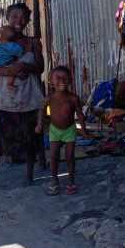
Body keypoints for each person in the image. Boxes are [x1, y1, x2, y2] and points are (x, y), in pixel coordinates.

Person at [0, 3, 44, 190]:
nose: (19, 21)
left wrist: (24, 67)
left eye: (23, 17)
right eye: (15, 16)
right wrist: (9, 70)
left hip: (28, 98)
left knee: (29, 139)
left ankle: (29, 175)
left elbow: (40, 68)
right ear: (8, 18)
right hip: (2, 99)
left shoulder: (33, 43)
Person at [37, 65, 89, 196]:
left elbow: (80, 115)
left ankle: (71, 182)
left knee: (70, 157)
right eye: (57, 78)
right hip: (54, 130)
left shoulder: (73, 98)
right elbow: (41, 111)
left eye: (65, 78)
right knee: (53, 156)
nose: (62, 81)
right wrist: (39, 124)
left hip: (69, 130)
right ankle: (54, 181)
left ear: (70, 80)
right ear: (51, 81)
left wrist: (83, 129)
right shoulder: (49, 98)